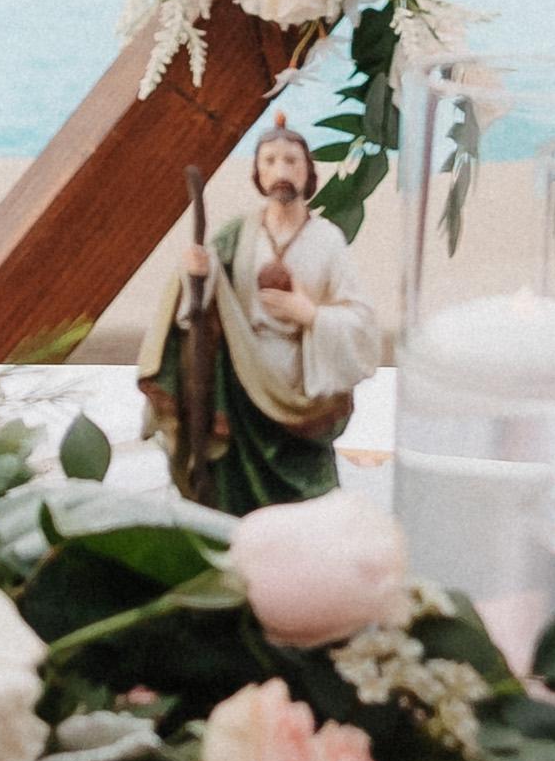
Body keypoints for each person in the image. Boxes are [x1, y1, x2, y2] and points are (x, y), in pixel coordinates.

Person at [146, 117, 380, 507]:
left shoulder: (327, 240)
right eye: (270, 161)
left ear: (308, 171)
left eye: (291, 161)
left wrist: (310, 314)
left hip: (300, 385)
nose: (281, 171)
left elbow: (363, 326)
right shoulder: (237, 235)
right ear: (257, 173)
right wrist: (196, 274)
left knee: (310, 493)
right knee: (234, 487)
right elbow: (201, 303)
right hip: (242, 381)